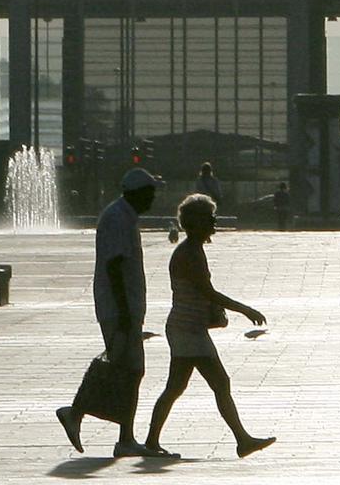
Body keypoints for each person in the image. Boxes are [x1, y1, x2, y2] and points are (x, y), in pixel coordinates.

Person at [144, 193, 276, 459]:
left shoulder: (192, 249)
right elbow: (207, 292)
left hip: (188, 328)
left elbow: (203, 292)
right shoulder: (189, 253)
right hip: (187, 330)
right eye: (209, 218)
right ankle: (242, 440)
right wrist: (244, 309)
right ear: (196, 222)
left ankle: (152, 441)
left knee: (178, 387)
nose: (214, 222)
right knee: (215, 383)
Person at [57, 167, 166, 458]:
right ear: (137, 193)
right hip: (118, 308)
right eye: (150, 193)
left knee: (123, 369)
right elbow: (114, 266)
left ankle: (94, 421)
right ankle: (104, 428)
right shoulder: (119, 218)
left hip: (122, 308)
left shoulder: (123, 215)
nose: (152, 199)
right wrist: (126, 314)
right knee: (130, 370)